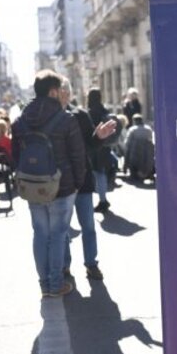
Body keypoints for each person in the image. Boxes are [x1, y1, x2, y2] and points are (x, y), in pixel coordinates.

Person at [12, 70, 116, 297]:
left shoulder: (20, 120)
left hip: (32, 186)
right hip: (62, 187)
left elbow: (14, 156)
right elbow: (79, 157)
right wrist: (77, 184)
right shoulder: (65, 119)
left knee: (40, 234)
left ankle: (45, 284)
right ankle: (56, 283)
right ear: (53, 91)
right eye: (61, 89)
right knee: (58, 234)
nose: (63, 93)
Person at [59, 79, 105, 281]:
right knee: (63, 229)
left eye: (63, 92)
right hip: (60, 183)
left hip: (83, 181)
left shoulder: (80, 115)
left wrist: (99, 137)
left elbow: (92, 145)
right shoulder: (50, 118)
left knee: (88, 226)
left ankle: (91, 264)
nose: (60, 96)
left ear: (68, 95)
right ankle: (65, 266)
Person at [87, 88, 114, 213]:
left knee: (98, 174)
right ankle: (103, 199)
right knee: (101, 173)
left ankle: (103, 200)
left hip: (96, 147)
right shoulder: (104, 110)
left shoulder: (90, 112)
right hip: (106, 147)